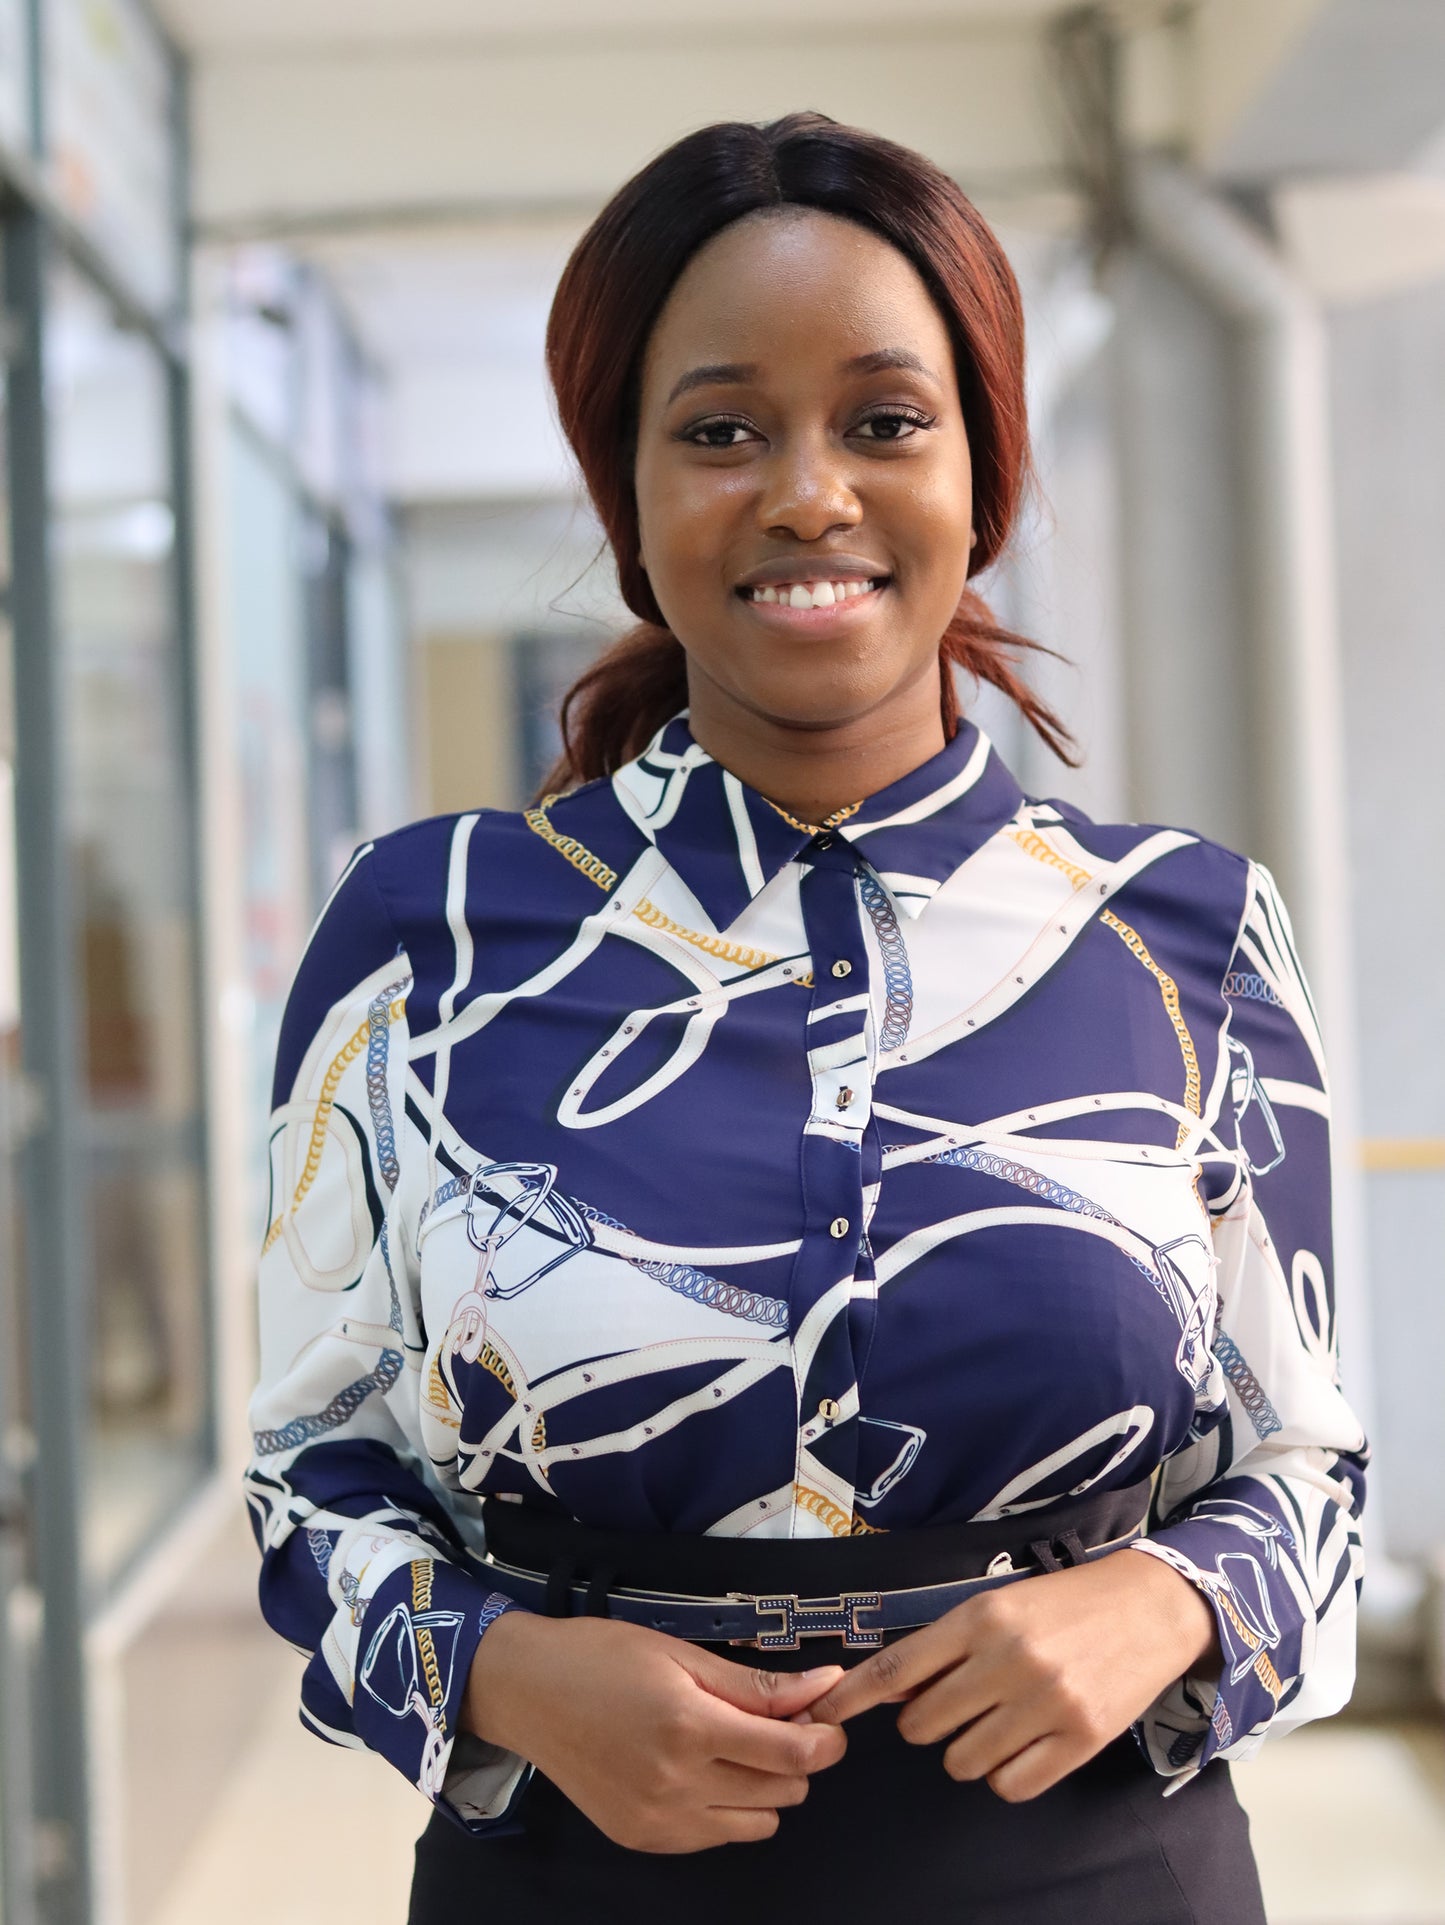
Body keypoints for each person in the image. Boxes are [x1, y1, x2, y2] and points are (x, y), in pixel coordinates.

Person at [246, 113, 1367, 1923]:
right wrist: (503, 1670)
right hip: (573, 1872)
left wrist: (1169, 1598)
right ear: (625, 491)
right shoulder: (425, 927)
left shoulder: (1190, 932)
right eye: (718, 431)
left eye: (883, 420)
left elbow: (1309, 1464)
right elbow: (308, 1466)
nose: (805, 494)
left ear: (980, 467)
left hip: (1094, 1862)